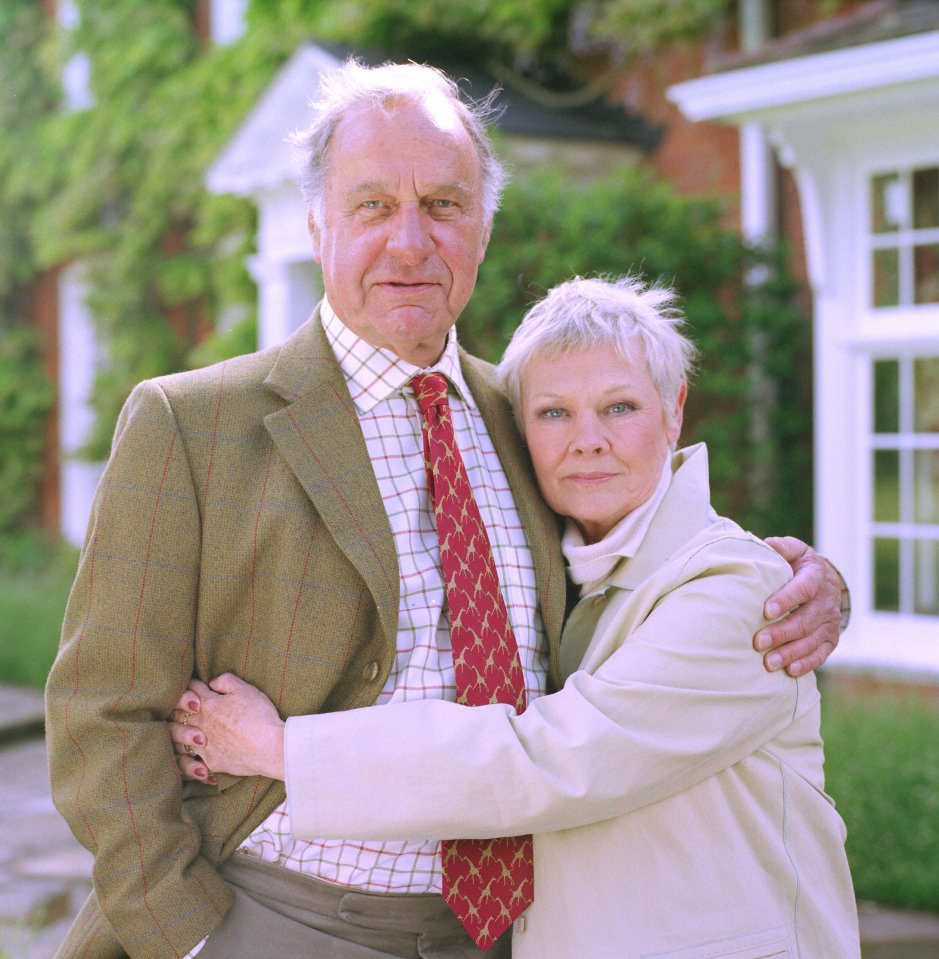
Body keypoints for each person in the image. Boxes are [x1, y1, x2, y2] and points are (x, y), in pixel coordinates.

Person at [45, 59, 846, 959]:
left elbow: (641, 551)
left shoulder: (527, 417)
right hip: (278, 918)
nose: (410, 241)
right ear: (318, 224)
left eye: (443, 205)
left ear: (483, 228)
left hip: (504, 935)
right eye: (374, 205)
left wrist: (802, 576)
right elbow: (101, 711)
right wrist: (187, 938)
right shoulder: (194, 424)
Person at [172, 275, 860, 958]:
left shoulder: (742, 590)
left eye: (619, 407)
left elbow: (551, 757)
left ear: (674, 410)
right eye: (553, 413)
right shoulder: (553, 570)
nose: (586, 439)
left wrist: (282, 749)